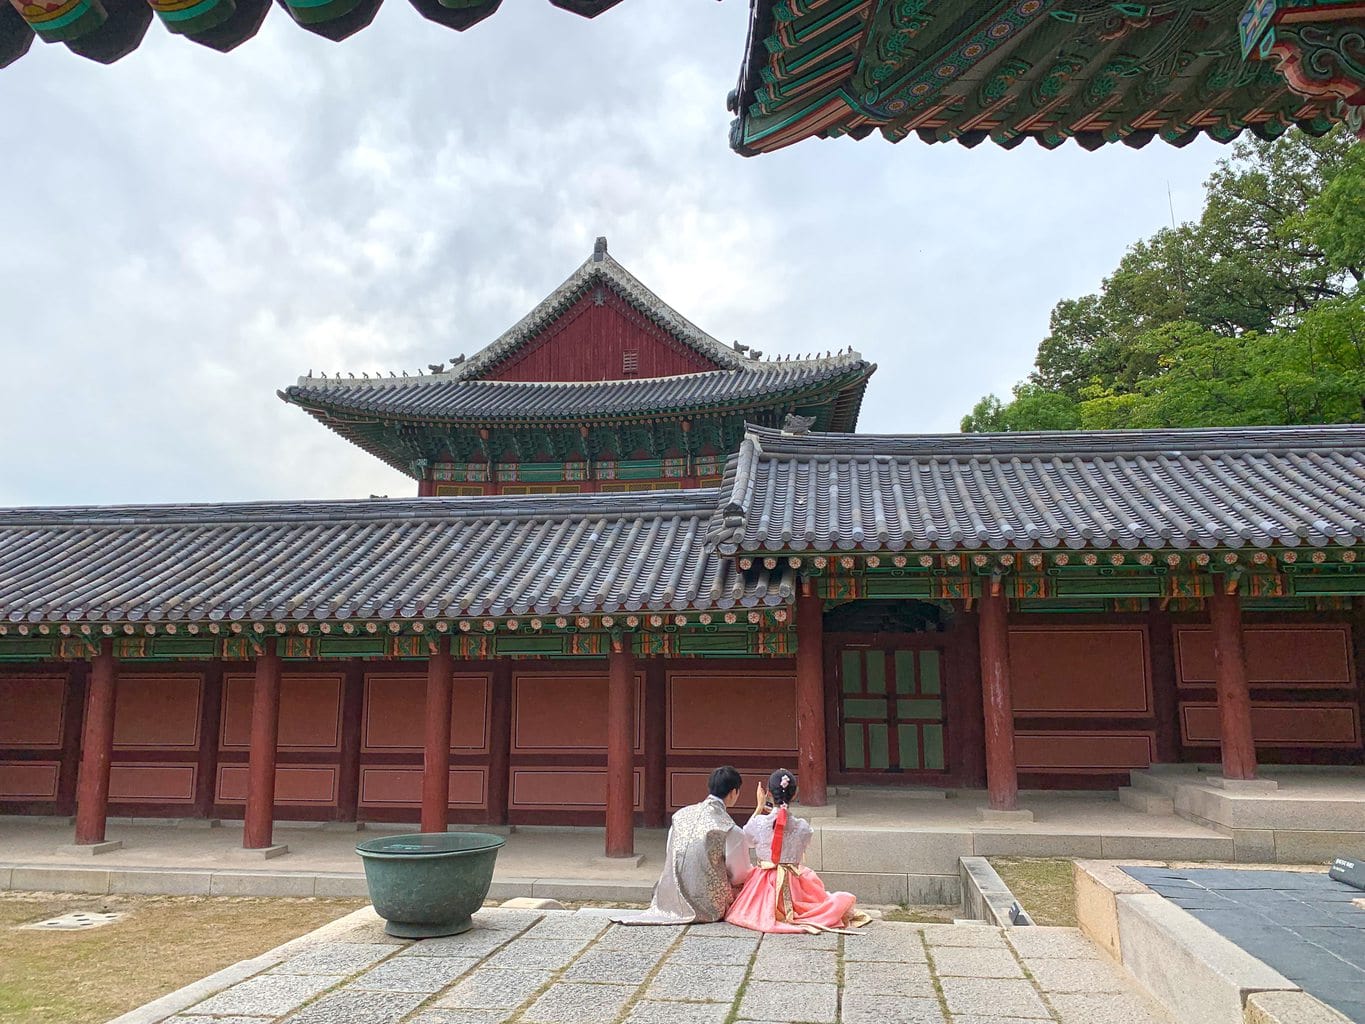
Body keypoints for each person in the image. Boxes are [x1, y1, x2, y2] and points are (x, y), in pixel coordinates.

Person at [725, 768, 870, 934]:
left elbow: (747, 839)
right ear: (795, 795)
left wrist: (759, 808)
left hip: (764, 884)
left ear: (768, 793)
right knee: (818, 899)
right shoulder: (803, 827)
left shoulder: (758, 823)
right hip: (795, 883)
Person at [614, 765, 757, 925]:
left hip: (669, 895)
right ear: (733, 793)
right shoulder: (730, 829)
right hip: (707, 904)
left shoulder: (681, 815)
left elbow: (671, 852)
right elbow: (739, 874)